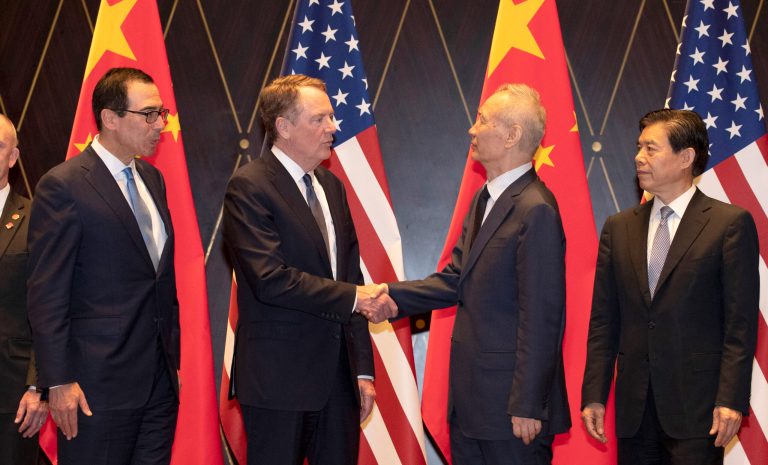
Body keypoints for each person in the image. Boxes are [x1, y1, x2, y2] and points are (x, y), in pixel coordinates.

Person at [365, 83, 571, 464]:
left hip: (512, 412)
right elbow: (455, 279)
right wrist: (390, 296)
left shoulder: (535, 208)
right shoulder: (485, 199)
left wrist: (528, 403)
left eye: (482, 121)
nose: (472, 130)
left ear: (511, 135)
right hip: (473, 406)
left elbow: (542, 316)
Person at [223, 74, 393, 465]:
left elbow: (351, 277)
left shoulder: (331, 187)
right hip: (277, 381)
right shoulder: (249, 187)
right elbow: (270, 279)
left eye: (331, 117)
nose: (333, 127)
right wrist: (354, 297)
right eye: (320, 119)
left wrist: (362, 370)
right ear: (283, 127)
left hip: (338, 381)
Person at [581, 109, 759, 465]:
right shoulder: (618, 228)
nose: (638, 157)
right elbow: (604, 321)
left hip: (698, 411)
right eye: (638, 147)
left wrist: (730, 399)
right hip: (634, 411)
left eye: (650, 148)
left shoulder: (729, 224)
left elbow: (739, 325)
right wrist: (595, 395)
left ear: (686, 157)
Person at [27, 67, 180, 465]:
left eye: (161, 113)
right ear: (110, 118)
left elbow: (158, 278)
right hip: (95, 388)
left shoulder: (153, 178)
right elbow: (47, 294)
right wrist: (57, 380)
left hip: (159, 383)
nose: (160, 124)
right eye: (148, 114)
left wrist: (173, 363)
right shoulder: (64, 185)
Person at [0, 114, 47, 464]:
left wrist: (37, 386)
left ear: (13, 158)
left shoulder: (36, 219)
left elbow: (48, 308)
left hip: (12, 395)